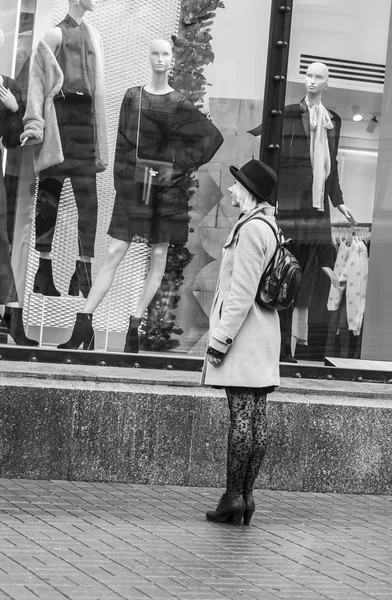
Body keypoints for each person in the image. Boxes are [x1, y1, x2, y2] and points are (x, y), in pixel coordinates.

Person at [57, 39, 223, 352]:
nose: (160, 59)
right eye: (155, 53)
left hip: (164, 191)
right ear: (148, 58)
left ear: (172, 61)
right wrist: (123, 183)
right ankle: (84, 322)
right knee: (114, 251)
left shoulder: (178, 102)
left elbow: (211, 138)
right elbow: (122, 142)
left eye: (165, 54)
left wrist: (175, 168)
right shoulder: (133, 96)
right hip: (135, 188)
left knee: (158, 256)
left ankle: (134, 326)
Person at [249, 62, 357, 362]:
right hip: (290, 208)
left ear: (327, 83)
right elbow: (272, 157)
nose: (311, 81)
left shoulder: (332, 120)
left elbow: (330, 166)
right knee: (282, 274)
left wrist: (339, 202)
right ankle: (278, 346)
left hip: (317, 209)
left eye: (318, 77)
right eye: (308, 76)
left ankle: (288, 347)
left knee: (304, 280)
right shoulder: (286, 114)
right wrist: (268, 199)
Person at [201, 159, 280, 526]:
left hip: (244, 336)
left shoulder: (251, 229)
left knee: (243, 420)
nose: (232, 189)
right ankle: (245, 497)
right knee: (256, 419)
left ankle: (233, 496)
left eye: (237, 184)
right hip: (261, 334)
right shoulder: (268, 225)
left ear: (249, 191)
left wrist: (220, 339)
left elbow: (241, 293)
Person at [21, 0, 108, 298]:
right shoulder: (56, 35)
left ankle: (82, 271)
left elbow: (97, 89)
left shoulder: (93, 35)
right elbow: (37, 80)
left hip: (84, 126)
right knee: (49, 200)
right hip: (60, 124)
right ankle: (43, 271)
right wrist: (34, 125)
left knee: (89, 204)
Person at [0, 29, 38, 346]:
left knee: (2, 243)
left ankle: (10, 317)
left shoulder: (8, 87)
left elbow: (13, 142)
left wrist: (15, 109)